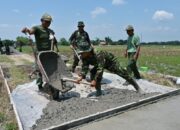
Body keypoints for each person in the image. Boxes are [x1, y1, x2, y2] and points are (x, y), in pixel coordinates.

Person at [77, 50, 142, 96]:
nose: (81, 54)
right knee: (93, 73)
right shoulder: (84, 57)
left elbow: (100, 69)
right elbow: (85, 68)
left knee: (122, 72)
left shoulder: (99, 55)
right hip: (99, 64)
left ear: (88, 52)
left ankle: (137, 87)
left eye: (82, 53)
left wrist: (94, 80)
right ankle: (99, 91)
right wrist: (81, 77)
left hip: (111, 62)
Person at [21, 13, 57, 89]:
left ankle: (52, 83)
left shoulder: (50, 31)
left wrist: (56, 50)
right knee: (39, 70)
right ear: (41, 21)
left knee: (51, 69)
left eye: (49, 22)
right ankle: (40, 85)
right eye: (46, 21)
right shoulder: (37, 28)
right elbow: (30, 32)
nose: (48, 23)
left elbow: (54, 41)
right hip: (40, 54)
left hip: (49, 53)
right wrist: (26, 30)